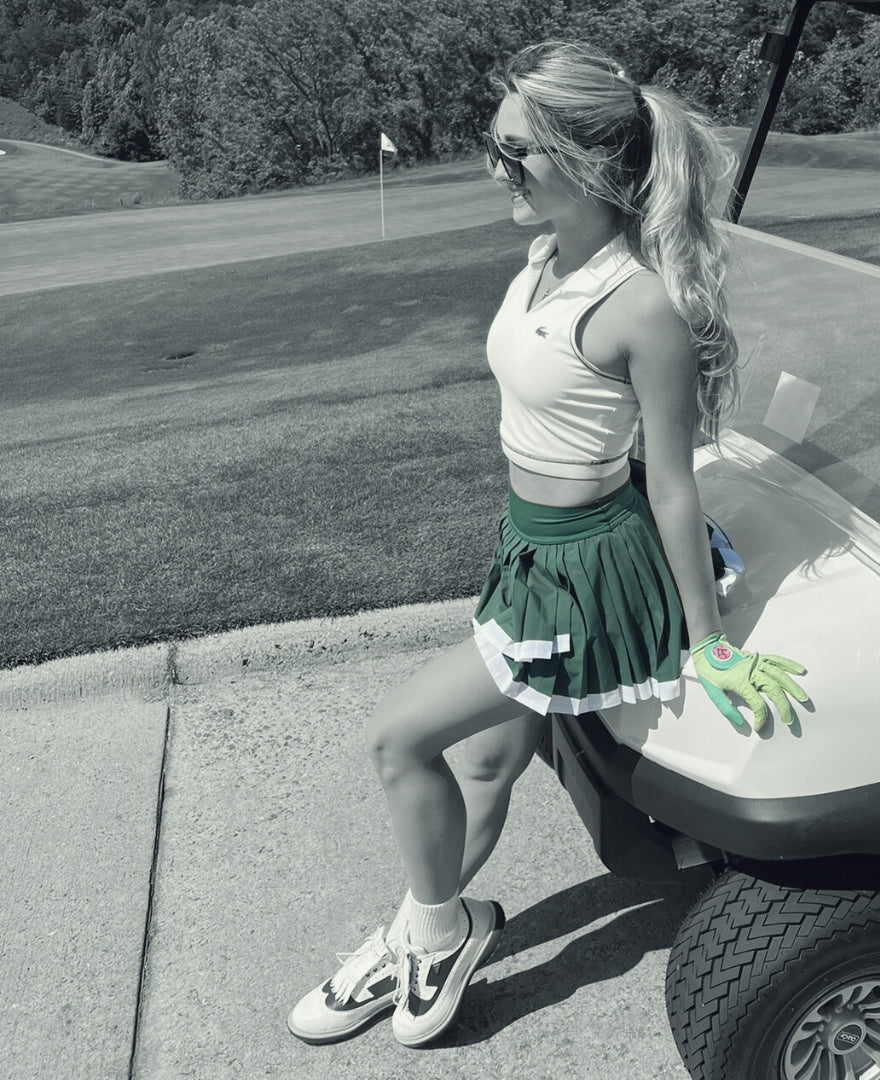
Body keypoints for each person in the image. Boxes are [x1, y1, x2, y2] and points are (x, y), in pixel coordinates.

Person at [287, 40, 807, 1049]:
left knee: (401, 739)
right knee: (485, 768)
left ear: (588, 163)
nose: (498, 169)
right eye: (497, 146)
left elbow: (668, 481)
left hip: (580, 581)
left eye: (517, 153)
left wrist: (707, 642)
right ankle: (421, 927)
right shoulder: (542, 262)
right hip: (531, 549)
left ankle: (436, 937)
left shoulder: (636, 305)